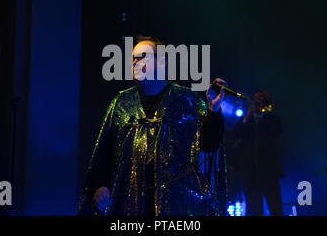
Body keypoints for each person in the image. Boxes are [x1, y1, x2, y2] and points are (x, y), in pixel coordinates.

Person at [78, 36, 228, 216]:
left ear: (163, 62)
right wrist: (99, 185)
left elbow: (209, 145)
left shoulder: (186, 101)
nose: (134, 61)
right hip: (129, 204)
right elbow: (104, 153)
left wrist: (214, 110)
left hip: (175, 205)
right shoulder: (121, 104)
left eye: (142, 56)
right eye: (133, 57)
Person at [230, 91, 284, 216]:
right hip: (250, 172)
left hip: (269, 171)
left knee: (275, 206)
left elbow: (276, 133)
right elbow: (234, 134)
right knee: (253, 208)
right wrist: (246, 116)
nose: (258, 102)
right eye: (256, 99)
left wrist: (263, 115)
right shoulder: (246, 121)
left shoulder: (273, 119)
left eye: (261, 100)